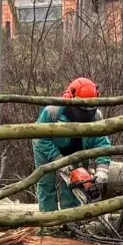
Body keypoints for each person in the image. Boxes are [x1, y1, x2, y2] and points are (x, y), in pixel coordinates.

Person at [33, 77, 111, 212]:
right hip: (48, 147)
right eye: (82, 108)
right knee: (46, 183)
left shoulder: (96, 116)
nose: (86, 112)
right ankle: (49, 219)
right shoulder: (52, 112)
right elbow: (41, 138)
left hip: (77, 151)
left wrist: (102, 168)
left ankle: (70, 218)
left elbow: (101, 142)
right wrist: (58, 159)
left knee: (75, 185)